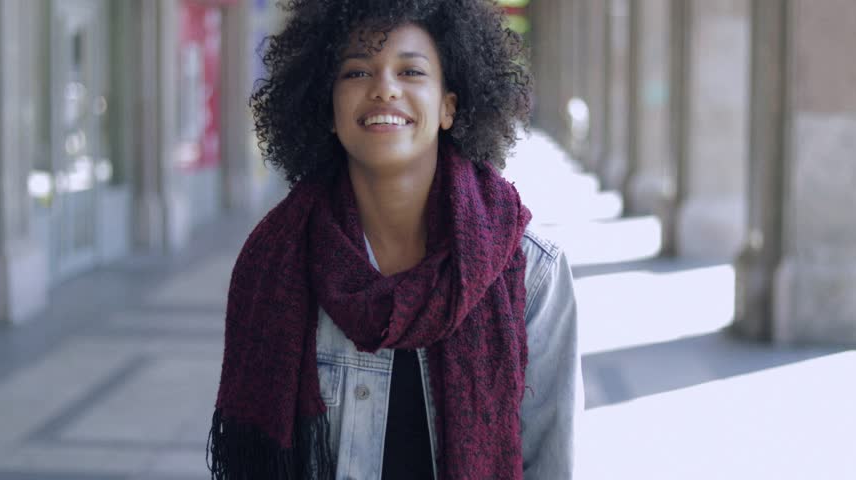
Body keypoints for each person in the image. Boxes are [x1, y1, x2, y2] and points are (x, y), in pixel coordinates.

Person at [207, 1, 583, 479]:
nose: (384, 88)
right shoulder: (277, 263)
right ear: (328, 108)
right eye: (357, 72)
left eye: (410, 71)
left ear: (449, 105)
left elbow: (551, 465)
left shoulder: (532, 273)